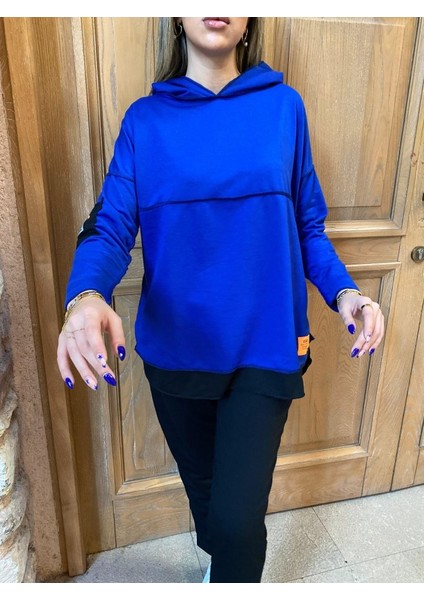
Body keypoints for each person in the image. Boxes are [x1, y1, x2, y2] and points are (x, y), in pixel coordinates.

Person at [57, 17, 385, 583]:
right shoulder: (145, 120)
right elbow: (109, 227)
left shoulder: (283, 108)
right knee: (205, 492)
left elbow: (308, 227)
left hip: (266, 344)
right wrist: (85, 295)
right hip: (176, 348)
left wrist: (346, 293)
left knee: (237, 521)